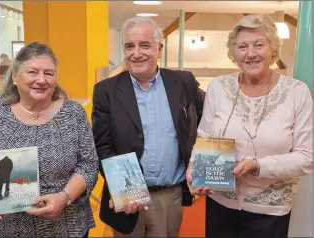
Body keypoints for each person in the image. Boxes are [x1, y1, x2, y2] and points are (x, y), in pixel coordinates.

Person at [186, 14, 313, 238]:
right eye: (242, 46)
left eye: (259, 45)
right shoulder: (218, 87)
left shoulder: (296, 92)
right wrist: (194, 168)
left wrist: (259, 165)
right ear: (233, 54)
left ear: (273, 49)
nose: (251, 53)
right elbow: (204, 138)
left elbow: (307, 157)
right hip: (220, 204)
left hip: (270, 212)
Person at [92, 16, 205, 237]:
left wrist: (200, 168)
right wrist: (124, 189)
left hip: (168, 196)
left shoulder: (184, 83)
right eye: (129, 46)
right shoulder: (106, 91)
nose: (136, 53)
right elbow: (102, 146)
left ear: (159, 48)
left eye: (144, 45)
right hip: (127, 196)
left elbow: (208, 124)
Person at [0, 42, 99, 237]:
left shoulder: (73, 114)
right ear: (15, 77)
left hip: (65, 227)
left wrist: (64, 197)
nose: (42, 80)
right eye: (32, 72)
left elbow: (89, 164)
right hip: (8, 228)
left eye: (49, 73)